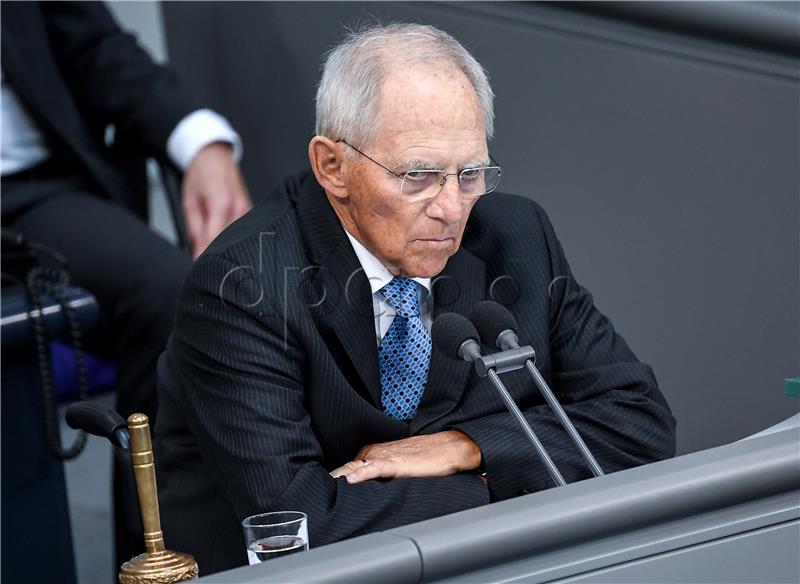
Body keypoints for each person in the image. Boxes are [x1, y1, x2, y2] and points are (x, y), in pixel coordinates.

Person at [155, 23, 676, 575]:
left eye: (470, 174)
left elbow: (640, 426)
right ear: (332, 166)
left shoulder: (517, 236)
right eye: (419, 176)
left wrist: (466, 447)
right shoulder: (241, 285)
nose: (452, 208)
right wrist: (514, 486)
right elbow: (301, 525)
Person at [0, 0, 250, 568]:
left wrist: (201, 143)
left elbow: (97, 47)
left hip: (31, 192)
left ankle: (157, 564)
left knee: (170, 295)